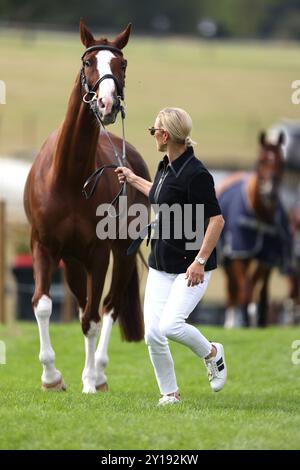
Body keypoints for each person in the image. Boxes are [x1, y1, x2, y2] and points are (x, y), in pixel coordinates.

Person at [115, 107, 227, 406]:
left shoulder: (197, 174)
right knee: (153, 333)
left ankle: (213, 353)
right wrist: (133, 178)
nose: (153, 136)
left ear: (165, 135)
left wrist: (200, 261)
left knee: (170, 326)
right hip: (160, 265)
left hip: (191, 268)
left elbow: (216, 221)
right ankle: (170, 393)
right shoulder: (165, 165)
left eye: (154, 131)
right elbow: (158, 194)